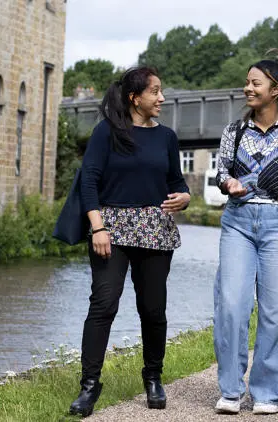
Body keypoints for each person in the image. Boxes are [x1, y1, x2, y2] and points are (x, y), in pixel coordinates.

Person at [69, 67, 191, 417]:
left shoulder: (166, 137)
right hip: (112, 228)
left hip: (155, 229)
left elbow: (177, 182)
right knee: (104, 304)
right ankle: (89, 387)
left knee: (153, 308)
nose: (162, 98)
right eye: (155, 91)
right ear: (134, 97)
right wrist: (97, 227)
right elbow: (89, 180)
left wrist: (184, 198)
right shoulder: (106, 132)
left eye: (161, 91)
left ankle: (153, 378)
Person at [213, 49, 278, 415]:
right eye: (247, 82)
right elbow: (221, 173)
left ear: (275, 90)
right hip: (238, 222)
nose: (247, 88)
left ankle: (266, 393)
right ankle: (230, 389)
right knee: (231, 306)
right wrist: (230, 184)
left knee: (274, 312)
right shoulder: (234, 130)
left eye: (254, 83)